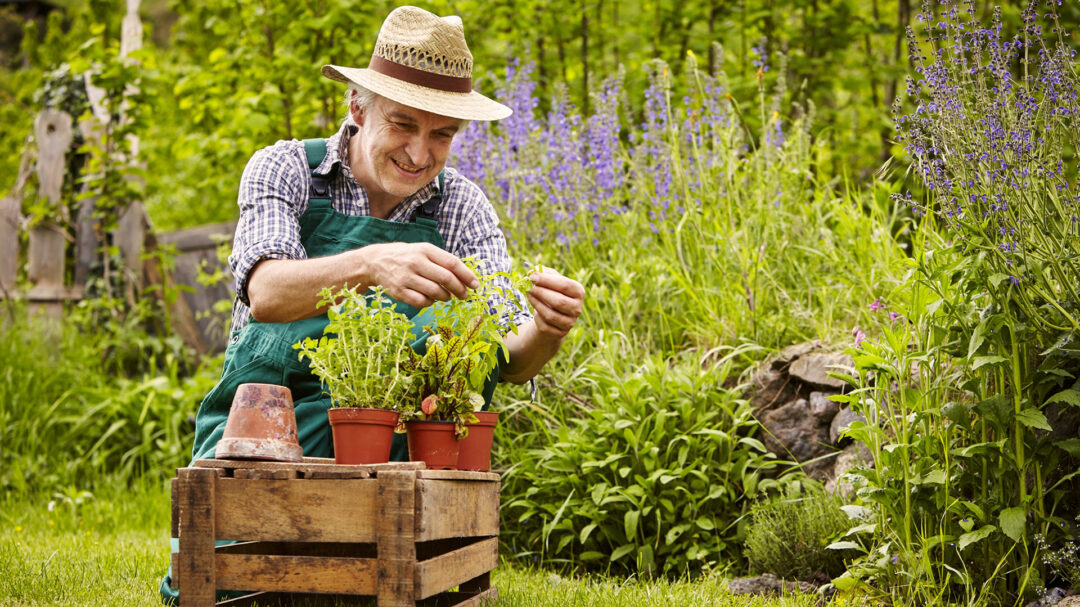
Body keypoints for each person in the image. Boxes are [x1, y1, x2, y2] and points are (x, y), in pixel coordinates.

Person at [159, 6, 583, 603]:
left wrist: (546, 329)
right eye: (403, 124)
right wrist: (371, 263)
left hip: (400, 471)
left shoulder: (462, 208)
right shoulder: (288, 170)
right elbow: (267, 293)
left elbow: (507, 353)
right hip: (265, 454)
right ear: (357, 110)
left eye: (441, 135)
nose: (419, 152)